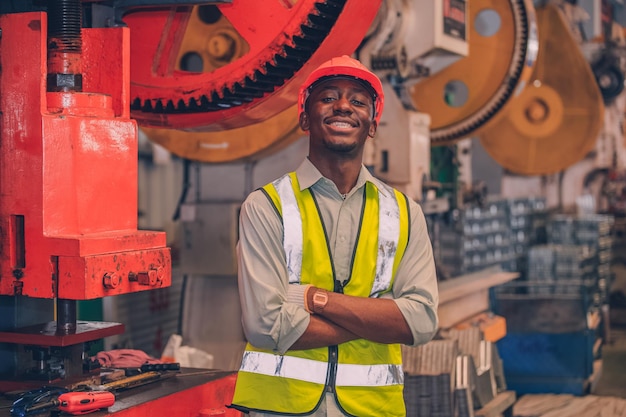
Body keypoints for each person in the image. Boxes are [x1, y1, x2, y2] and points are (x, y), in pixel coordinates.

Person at [229, 55, 439, 417]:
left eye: (358, 101)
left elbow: (421, 321)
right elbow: (266, 327)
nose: (344, 105)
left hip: (373, 408)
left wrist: (314, 298)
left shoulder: (405, 212)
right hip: (279, 407)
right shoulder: (266, 206)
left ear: (372, 124)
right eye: (328, 97)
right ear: (304, 118)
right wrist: (382, 320)